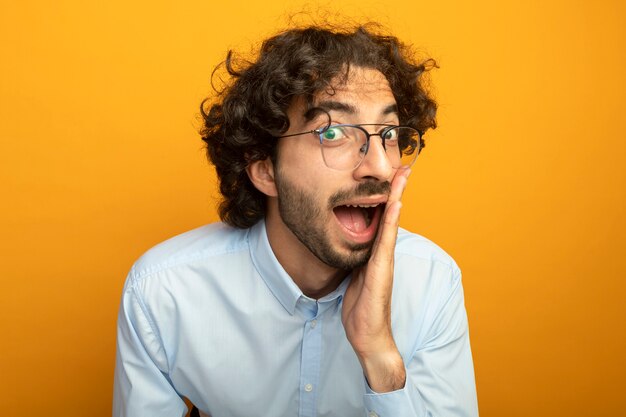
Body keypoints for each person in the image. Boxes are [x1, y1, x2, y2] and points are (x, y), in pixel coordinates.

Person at [113, 23, 479, 417]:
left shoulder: (432, 282)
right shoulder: (163, 293)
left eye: (388, 132)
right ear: (265, 170)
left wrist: (380, 358)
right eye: (333, 132)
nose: (380, 166)